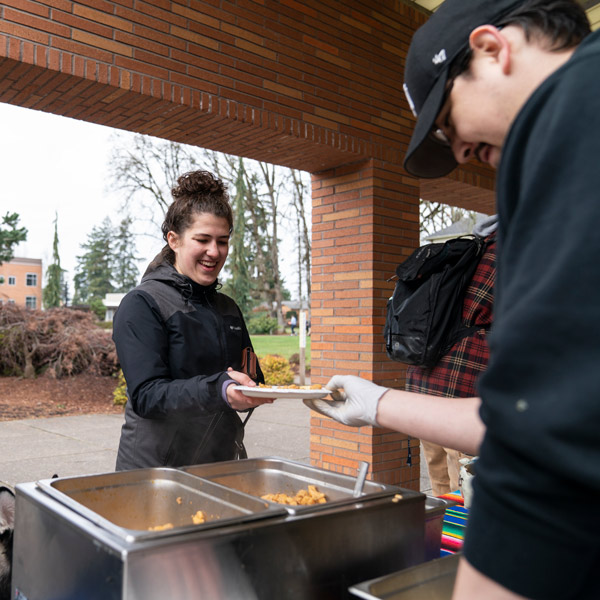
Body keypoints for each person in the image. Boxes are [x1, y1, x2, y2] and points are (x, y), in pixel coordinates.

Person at [305, 1, 600, 598]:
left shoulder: (571, 107)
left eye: (447, 123)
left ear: (492, 48)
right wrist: (378, 403)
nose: (460, 151)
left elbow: (544, 441)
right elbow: (525, 412)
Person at [113, 170, 273, 471]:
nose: (214, 252)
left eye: (223, 241)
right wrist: (220, 389)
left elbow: (250, 371)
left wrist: (253, 386)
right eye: (203, 239)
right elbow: (147, 395)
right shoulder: (142, 304)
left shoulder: (228, 308)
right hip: (154, 472)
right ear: (174, 240)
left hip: (218, 464)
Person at [406, 215, 497, 496]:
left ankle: (441, 532)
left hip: (423, 379)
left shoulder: (468, 249)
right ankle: (460, 538)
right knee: (465, 485)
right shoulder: (508, 253)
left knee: (441, 483)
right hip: (461, 383)